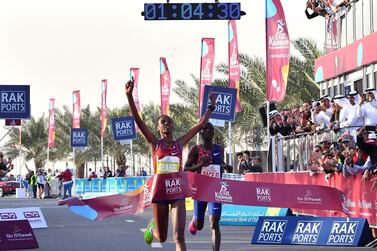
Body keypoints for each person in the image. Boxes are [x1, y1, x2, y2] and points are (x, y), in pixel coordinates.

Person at [125, 79, 216, 250]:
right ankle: (152, 231)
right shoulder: (154, 143)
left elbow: (199, 125)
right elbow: (138, 121)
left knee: (179, 236)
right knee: (163, 236)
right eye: (163, 122)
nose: (166, 123)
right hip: (159, 192)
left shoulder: (179, 143)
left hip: (177, 190)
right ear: (158, 128)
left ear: (173, 126)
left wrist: (211, 106)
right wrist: (129, 96)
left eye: (169, 121)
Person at [184, 122, 232, 251]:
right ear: (201, 132)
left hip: (216, 189)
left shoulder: (219, 148)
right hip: (200, 190)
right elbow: (185, 169)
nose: (209, 131)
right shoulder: (195, 149)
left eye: (211, 129)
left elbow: (219, 162)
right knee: (200, 225)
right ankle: (195, 220)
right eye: (205, 129)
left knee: (214, 223)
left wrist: (226, 166)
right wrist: (199, 165)